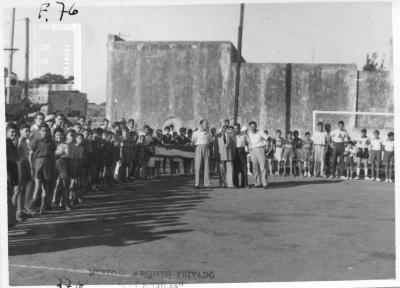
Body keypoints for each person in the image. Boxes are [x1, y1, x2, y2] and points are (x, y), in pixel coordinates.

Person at [29, 124, 56, 214]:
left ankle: (42, 207)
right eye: (43, 130)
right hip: (38, 164)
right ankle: (32, 208)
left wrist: (53, 168)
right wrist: (31, 167)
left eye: (46, 131)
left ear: (49, 131)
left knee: (46, 187)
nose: (45, 132)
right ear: (40, 131)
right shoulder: (35, 141)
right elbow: (31, 155)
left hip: (48, 165)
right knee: (37, 187)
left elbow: (53, 156)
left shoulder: (51, 142)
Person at [16, 124, 32, 221]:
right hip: (20, 164)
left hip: (25, 164)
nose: (28, 133)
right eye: (26, 131)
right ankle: (17, 212)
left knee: (24, 189)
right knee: (19, 188)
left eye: (29, 131)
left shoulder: (26, 141)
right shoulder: (18, 141)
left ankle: (21, 210)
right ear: (20, 130)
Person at [245, 121, 268, 188]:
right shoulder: (248, 133)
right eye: (251, 127)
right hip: (252, 150)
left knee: (263, 166)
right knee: (255, 167)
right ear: (249, 127)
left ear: (256, 126)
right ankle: (257, 183)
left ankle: (265, 183)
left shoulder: (260, 132)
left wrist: (267, 148)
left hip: (260, 149)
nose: (253, 128)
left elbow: (268, 138)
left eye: (254, 126)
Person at [192, 119, 212, 189]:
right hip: (198, 148)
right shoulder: (196, 133)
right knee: (198, 167)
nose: (206, 125)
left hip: (206, 148)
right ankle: (197, 184)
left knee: (206, 166)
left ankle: (206, 184)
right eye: (205, 124)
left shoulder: (208, 133)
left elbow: (210, 140)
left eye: (207, 124)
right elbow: (193, 141)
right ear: (201, 124)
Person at [6, 123, 19, 226]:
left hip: (13, 167)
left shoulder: (12, 143)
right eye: (12, 132)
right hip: (8, 169)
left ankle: (12, 218)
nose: (14, 134)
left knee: (16, 192)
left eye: (15, 132)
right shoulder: (5, 143)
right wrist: (7, 175)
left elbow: (16, 157)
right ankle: (10, 220)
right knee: (9, 195)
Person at [233, 123, 248, 188]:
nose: (235, 129)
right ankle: (236, 184)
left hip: (242, 150)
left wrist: (248, 150)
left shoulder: (244, 135)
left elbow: (248, 142)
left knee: (244, 168)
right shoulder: (231, 135)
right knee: (235, 169)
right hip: (234, 151)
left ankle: (244, 184)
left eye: (237, 128)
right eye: (234, 128)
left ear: (239, 128)